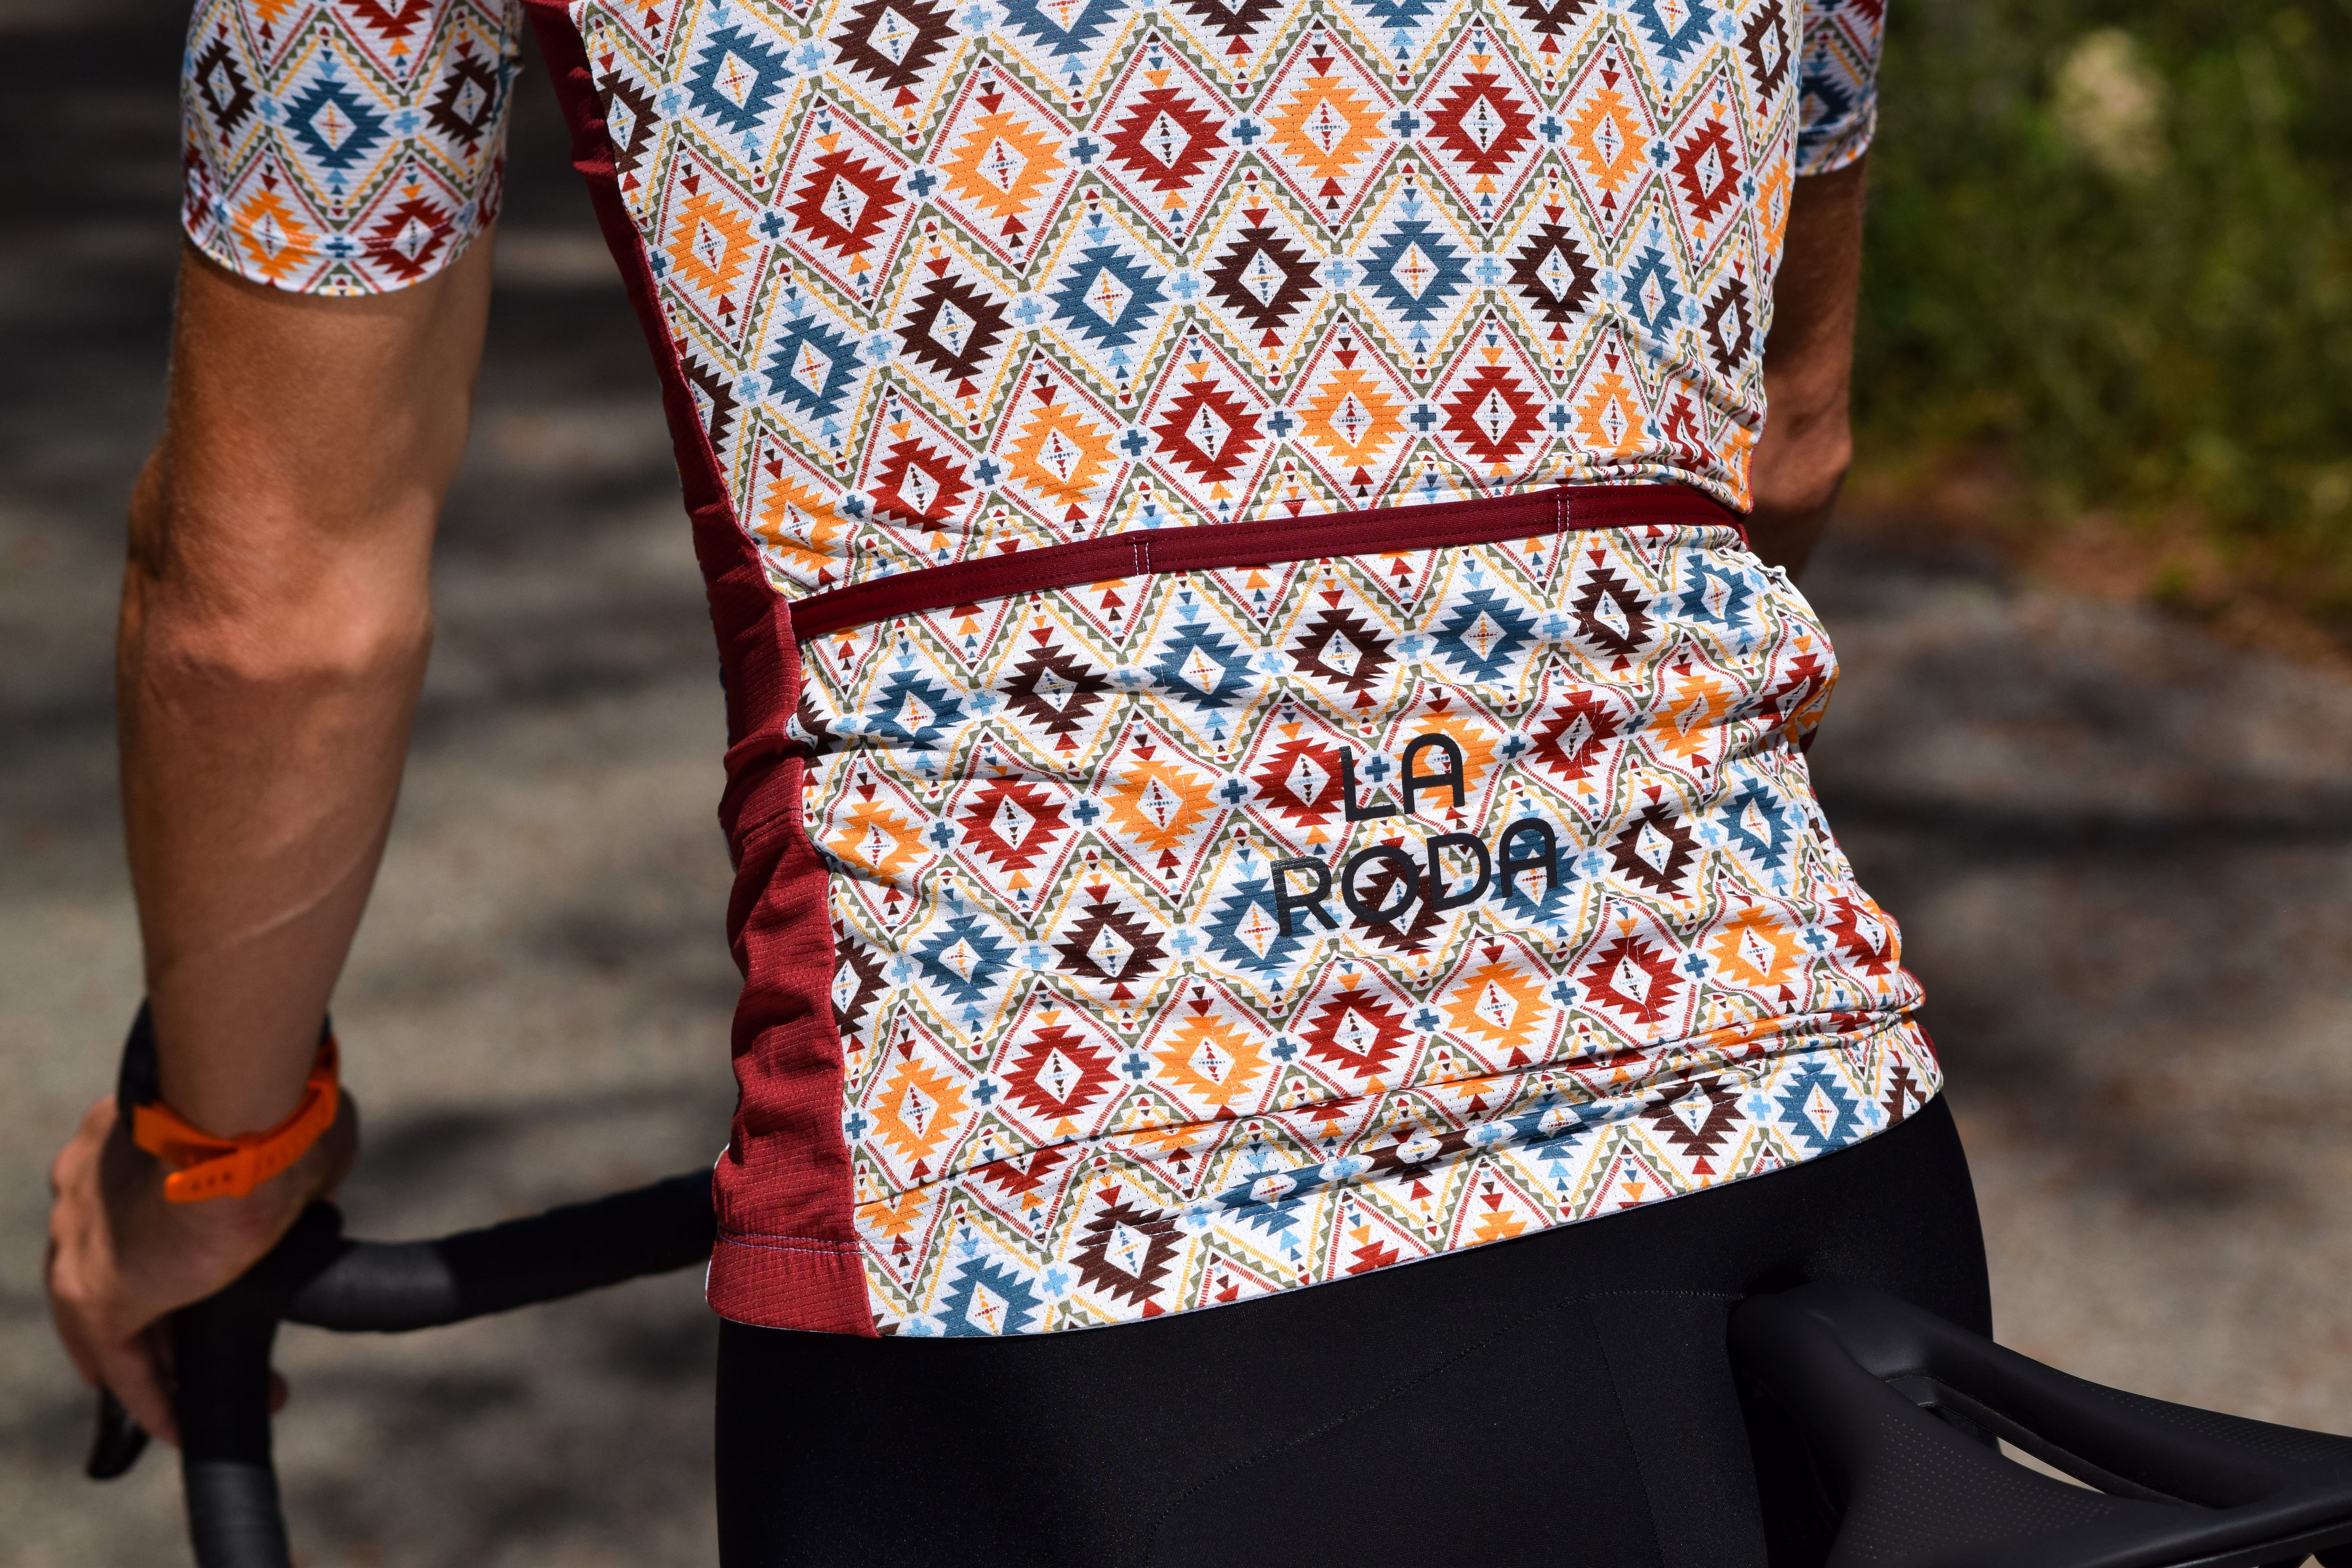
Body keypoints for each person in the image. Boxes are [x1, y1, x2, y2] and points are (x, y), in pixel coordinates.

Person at [47, 0, 1991, 1561]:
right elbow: (1780, 445)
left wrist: (209, 1158)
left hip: (1054, 1258)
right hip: (1794, 1150)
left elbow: (270, 612)